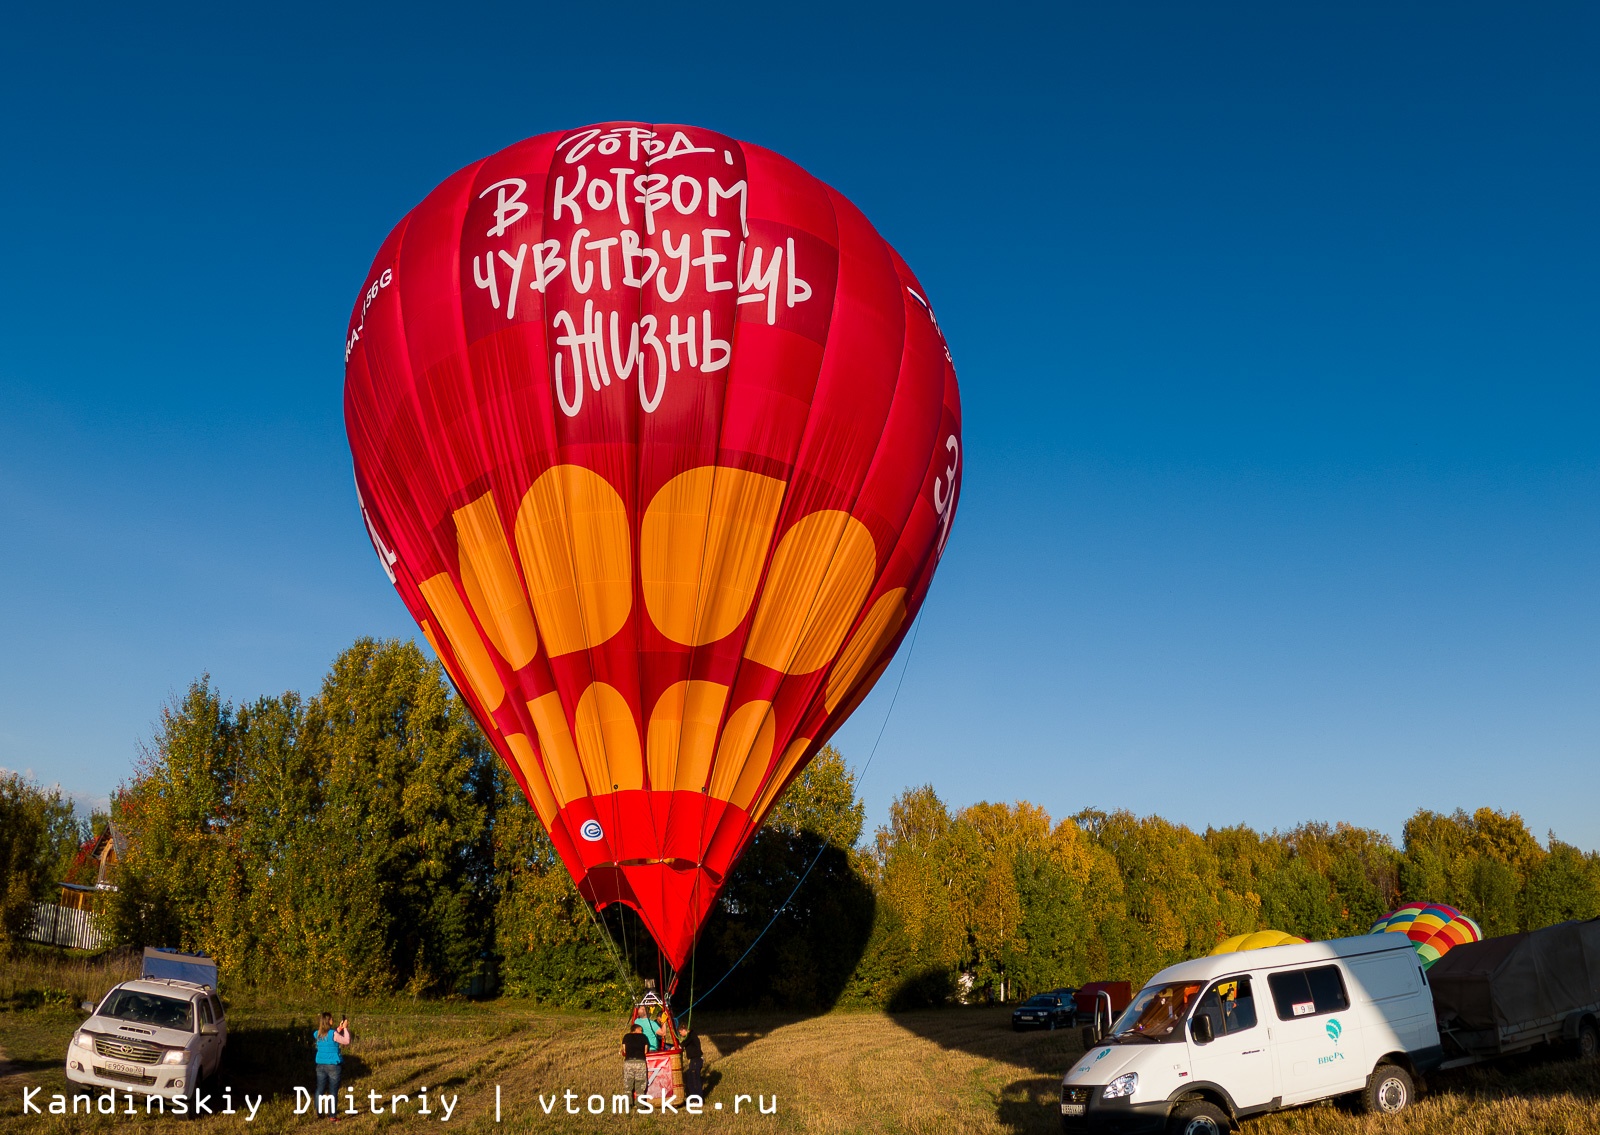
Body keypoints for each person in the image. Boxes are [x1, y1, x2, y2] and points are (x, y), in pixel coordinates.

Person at [314, 1012, 351, 1120]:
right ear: (328, 1021)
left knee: (319, 1089)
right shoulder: (333, 1034)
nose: (332, 1020)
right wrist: (345, 1029)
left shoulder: (317, 1034)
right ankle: (332, 1115)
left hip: (320, 1065)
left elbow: (330, 1036)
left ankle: (318, 1112)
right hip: (334, 1066)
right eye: (331, 1019)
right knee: (333, 1091)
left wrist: (339, 1028)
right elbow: (346, 1041)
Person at [621, 1023, 649, 1101]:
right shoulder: (643, 1037)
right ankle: (640, 1105)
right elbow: (645, 1051)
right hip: (640, 1061)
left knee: (628, 1084)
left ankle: (628, 1103)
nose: (642, 1032)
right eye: (641, 1030)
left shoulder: (626, 1036)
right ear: (636, 1029)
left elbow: (624, 1050)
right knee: (640, 1084)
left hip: (628, 1062)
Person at [681, 1030, 704, 1097]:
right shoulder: (690, 1036)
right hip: (693, 1060)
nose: (680, 1034)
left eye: (680, 1032)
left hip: (696, 1060)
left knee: (695, 1079)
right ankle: (693, 1097)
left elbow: (685, 1042)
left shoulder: (691, 1035)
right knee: (690, 1077)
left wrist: (680, 1046)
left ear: (684, 1029)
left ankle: (697, 1098)